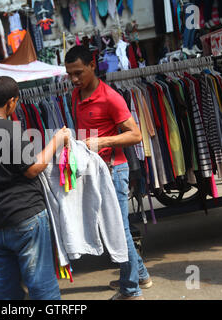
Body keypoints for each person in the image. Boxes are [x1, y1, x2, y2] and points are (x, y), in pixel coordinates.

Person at [0, 76, 71, 300]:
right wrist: (56, 140)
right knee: (41, 285)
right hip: (23, 217)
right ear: (11, 102)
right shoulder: (6, 129)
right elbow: (32, 168)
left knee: (6, 290)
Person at [64, 45, 152, 300]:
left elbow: (135, 134)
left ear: (93, 65)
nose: (74, 79)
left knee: (118, 229)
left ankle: (131, 290)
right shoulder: (75, 95)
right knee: (113, 228)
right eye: (70, 74)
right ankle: (140, 276)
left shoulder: (111, 97)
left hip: (114, 170)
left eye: (79, 72)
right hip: (92, 170)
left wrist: (102, 142)